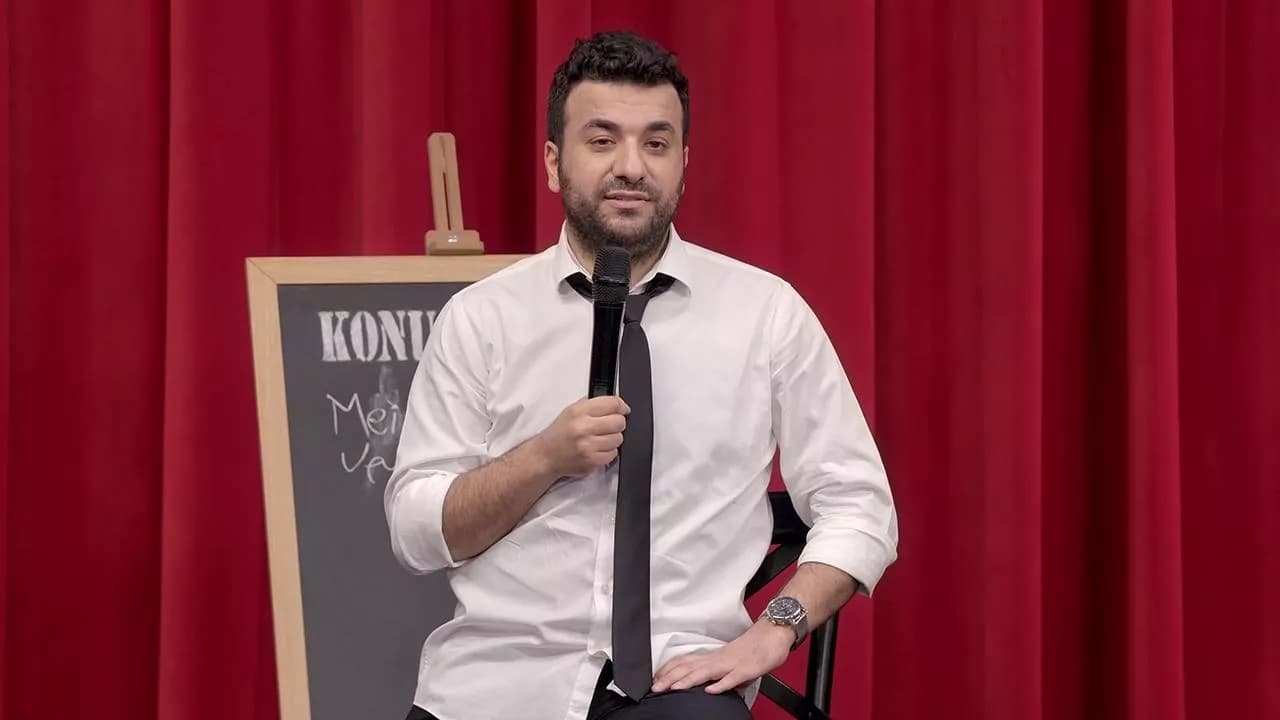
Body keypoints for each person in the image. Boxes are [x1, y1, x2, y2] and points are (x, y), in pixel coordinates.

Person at [386, 30, 898, 720]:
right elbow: (417, 534)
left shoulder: (766, 314)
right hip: (496, 684)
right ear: (553, 163)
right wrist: (543, 458)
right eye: (602, 141)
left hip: (677, 684)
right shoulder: (481, 318)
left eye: (655, 144)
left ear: (683, 164)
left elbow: (860, 506)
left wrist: (773, 629)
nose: (631, 167)